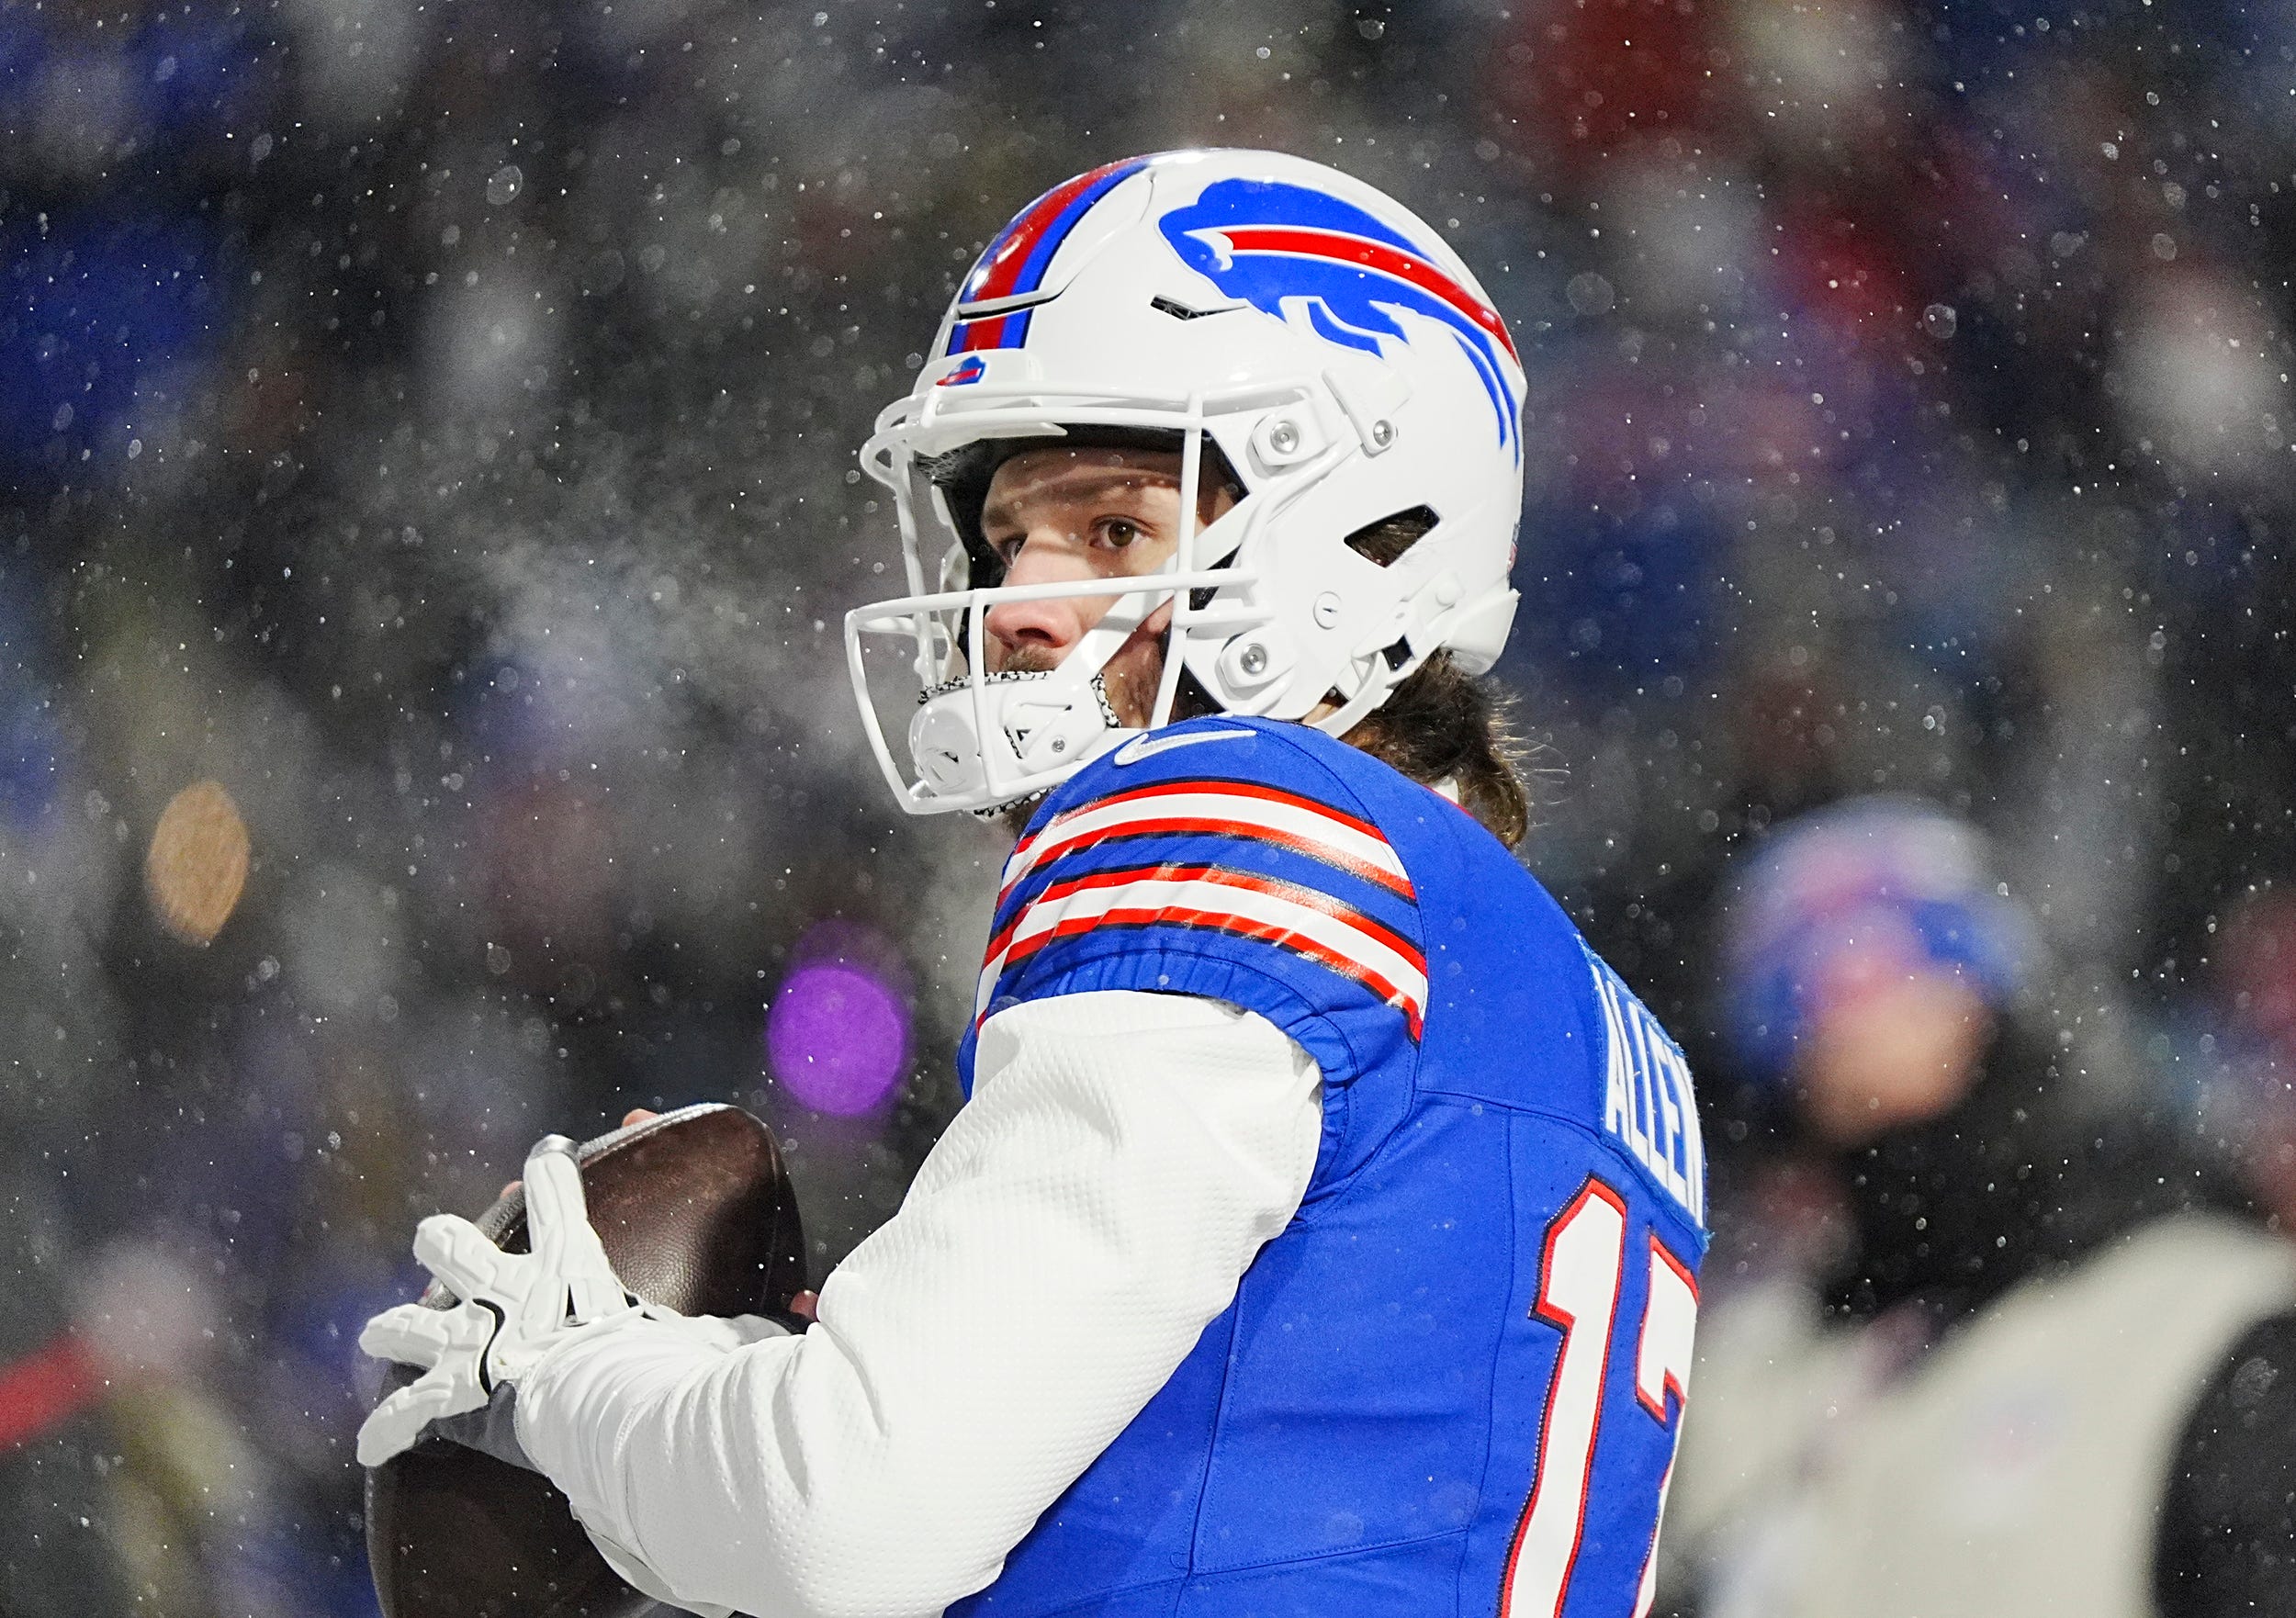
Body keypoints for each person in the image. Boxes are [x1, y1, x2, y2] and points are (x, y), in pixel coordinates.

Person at [355, 149, 1708, 1618]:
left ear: (1369, 538)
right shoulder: (1596, 1028)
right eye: (1006, 537)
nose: (1019, 603)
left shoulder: (1233, 815)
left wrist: (562, 1375)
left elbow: (852, 1511)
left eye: (1116, 527)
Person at [1661, 798, 2296, 1618]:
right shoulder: (1740, 1372)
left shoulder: (2208, 1321)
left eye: (1918, 990)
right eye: (1820, 1028)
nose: (1873, 1039)